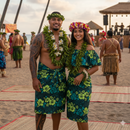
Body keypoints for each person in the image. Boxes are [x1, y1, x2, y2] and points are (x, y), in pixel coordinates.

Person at [29, 11, 69, 130]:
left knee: (57, 107)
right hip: (44, 77)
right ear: (49, 21)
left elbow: (70, 58)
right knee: (41, 107)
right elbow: (32, 58)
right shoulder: (40, 37)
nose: (56, 22)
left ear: (62, 22)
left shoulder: (66, 38)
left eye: (58, 20)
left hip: (60, 77)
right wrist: (34, 78)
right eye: (54, 19)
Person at [66, 22, 101, 130]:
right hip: (71, 84)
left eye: (80, 31)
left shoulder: (89, 48)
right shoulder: (71, 48)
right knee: (76, 114)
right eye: (75, 31)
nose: (77, 33)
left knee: (82, 114)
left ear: (84, 33)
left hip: (83, 84)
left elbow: (96, 67)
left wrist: (82, 75)